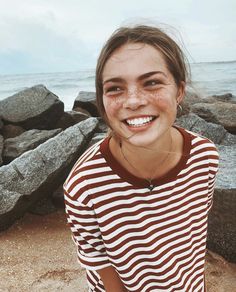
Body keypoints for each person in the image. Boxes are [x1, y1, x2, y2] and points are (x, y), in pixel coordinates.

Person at [63, 24, 219, 292]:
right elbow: (97, 259)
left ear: (179, 90)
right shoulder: (84, 185)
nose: (133, 101)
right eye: (115, 88)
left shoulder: (204, 158)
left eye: (152, 82)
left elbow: (194, 243)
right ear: (102, 101)